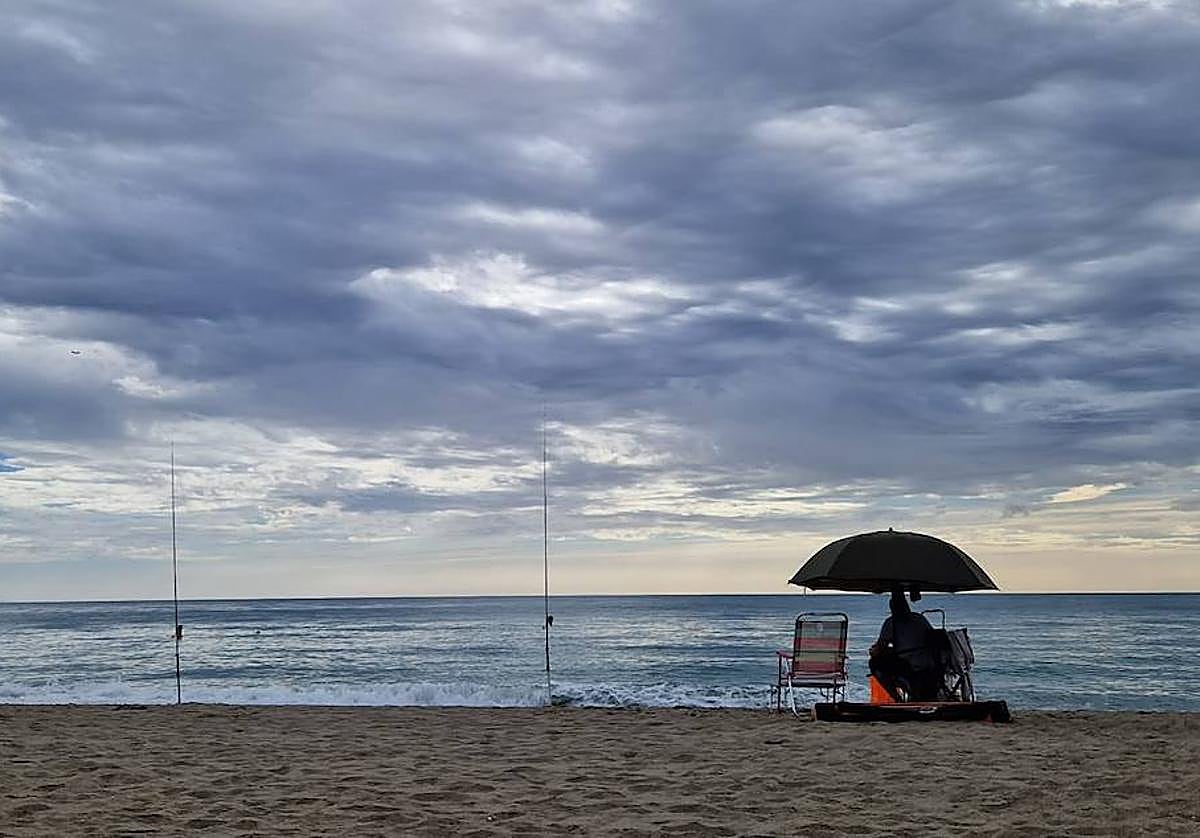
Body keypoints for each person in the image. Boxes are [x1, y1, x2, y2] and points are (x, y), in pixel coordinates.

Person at [869, 587, 942, 701]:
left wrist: (874, 651)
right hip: (930, 663)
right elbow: (931, 639)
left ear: (892, 608)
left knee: (874, 664)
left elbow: (880, 647)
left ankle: (896, 698)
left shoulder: (891, 622)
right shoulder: (919, 618)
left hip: (910, 666)